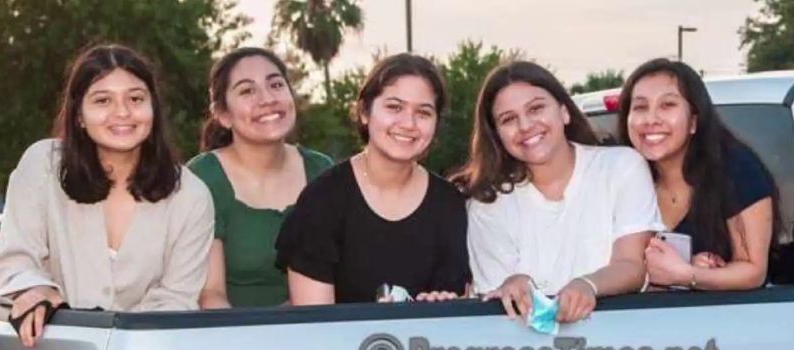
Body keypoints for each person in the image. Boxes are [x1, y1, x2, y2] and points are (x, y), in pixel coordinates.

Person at [0, 44, 214, 347]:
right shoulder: (43, 166)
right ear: (79, 114)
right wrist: (34, 289)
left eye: (136, 98)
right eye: (103, 100)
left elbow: (177, 298)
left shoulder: (191, 195)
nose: (122, 112)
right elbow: (14, 260)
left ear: (154, 109)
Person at [453, 61, 662, 323]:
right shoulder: (487, 205)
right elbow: (499, 308)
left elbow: (632, 266)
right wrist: (513, 285)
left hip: (624, 342)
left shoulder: (622, 167)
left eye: (536, 108)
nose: (525, 125)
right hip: (531, 346)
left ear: (564, 112)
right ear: (497, 135)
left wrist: (588, 285)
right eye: (508, 119)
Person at [275, 53, 471, 304]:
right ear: (364, 112)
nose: (408, 123)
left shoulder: (449, 204)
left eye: (423, 112)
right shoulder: (323, 200)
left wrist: (439, 307)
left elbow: (455, 305)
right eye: (394, 107)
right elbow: (314, 319)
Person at [618, 58, 780, 291]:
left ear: (694, 120)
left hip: (730, 314)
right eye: (640, 107)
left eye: (667, 105)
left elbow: (753, 271)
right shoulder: (620, 177)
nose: (651, 119)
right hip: (630, 314)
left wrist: (688, 275)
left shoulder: (735, 169)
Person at [188, 48, 332, 308]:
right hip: (229, 329)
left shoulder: (321, 171)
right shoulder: (203, 177)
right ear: (223, 115)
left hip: (314, 324)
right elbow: (210, 295)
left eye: (276, 85)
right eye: (247, 91)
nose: (267, 99)